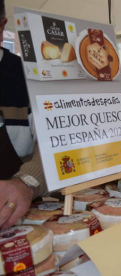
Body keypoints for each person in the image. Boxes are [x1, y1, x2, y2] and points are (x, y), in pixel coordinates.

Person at [0, 0, 48, 229]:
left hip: (18, 221)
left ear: (1, 29)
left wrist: (27, 182)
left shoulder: (29, 78)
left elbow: (56, 146)